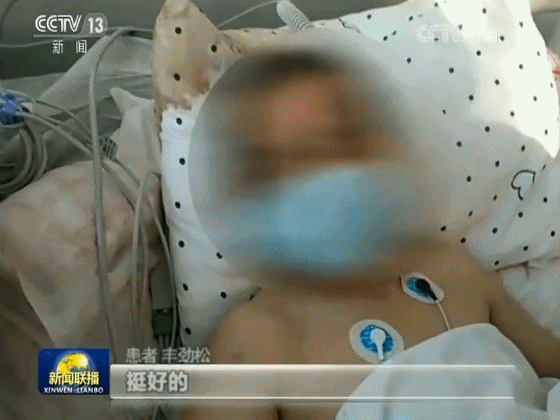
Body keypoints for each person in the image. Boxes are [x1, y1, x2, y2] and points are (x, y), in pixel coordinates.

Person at [183, 49, 560, 420]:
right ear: (249, 190)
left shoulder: (452, 270)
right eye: (295, 159)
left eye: (345, 140)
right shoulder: (257, 340)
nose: (328, 174)